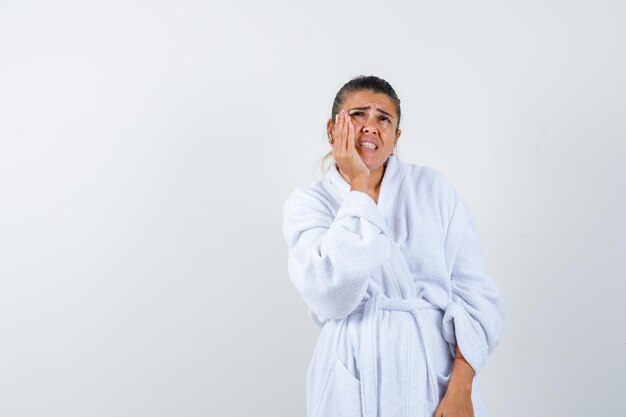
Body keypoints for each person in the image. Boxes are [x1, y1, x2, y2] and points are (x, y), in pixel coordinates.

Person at [282, 75, 507, 417]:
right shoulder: (309, 204)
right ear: (332, 129)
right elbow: (331, 295)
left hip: (435, 374)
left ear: (396, 136)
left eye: (383, 118)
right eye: (358, 115)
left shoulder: (433, 190)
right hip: (350, 370)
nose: (370, 126)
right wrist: (359, 186)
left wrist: (462, 386)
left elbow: (475, 293)